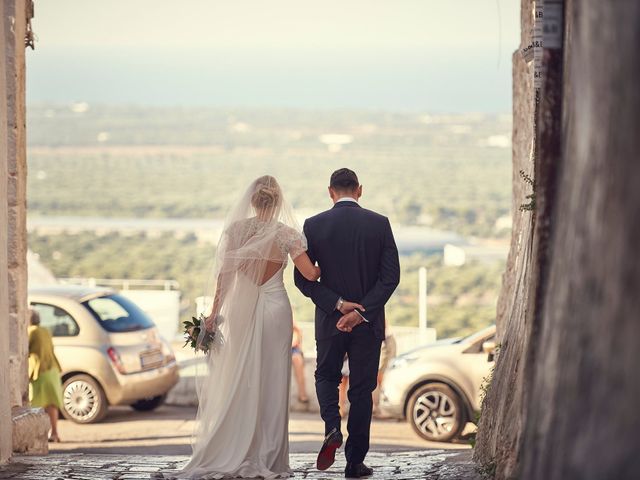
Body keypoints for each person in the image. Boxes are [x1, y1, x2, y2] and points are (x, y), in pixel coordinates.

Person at [169, 176, 320, 479]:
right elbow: (311, 274)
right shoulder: (287, 235)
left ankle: (235, 444)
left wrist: (213, 314)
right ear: (278, 202)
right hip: (276, 307)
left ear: (251, 201)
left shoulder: (236, 231)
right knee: (274, 378)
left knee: (241, 374)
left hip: (242, 309)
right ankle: (270, 456)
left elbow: (224, 278)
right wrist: (324, 264)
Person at [295, 168, 400, 479]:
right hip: (368, 324)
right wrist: (361, 311)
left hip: (330, 321)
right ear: (360, 190)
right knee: (361, 389)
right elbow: (390, 278)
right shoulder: (379, 224)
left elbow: (303, 280)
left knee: (326, 376)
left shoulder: (313, 225)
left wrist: (337, 305)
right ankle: (355, 463)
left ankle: (331, 427)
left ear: (330, 192)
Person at [28, 309, 64, 443]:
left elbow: (25, 350)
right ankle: (54, 433)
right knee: (52, 404)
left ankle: (39, 436)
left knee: (37, 404)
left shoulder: (31, 331)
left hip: (40, 371)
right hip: (53, 369)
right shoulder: (45, 330)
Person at [372, 318, 397, 419]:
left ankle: (377, 407)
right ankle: (376, 407)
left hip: (385, 339)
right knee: (379, 377)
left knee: (381, 377)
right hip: (383, 340)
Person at [291, 320, 310, 408]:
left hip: (294, 348)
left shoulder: (293, 322)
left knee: (297, 360)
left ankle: (302, 393)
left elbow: (298, 332)